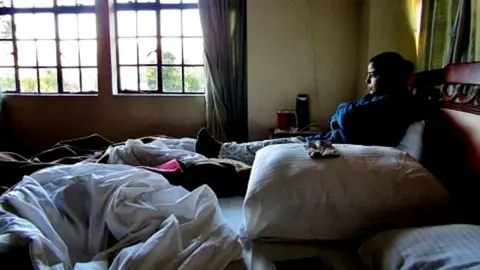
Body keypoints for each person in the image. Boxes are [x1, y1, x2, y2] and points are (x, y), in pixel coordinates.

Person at [196, 52, 424, 165]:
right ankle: (222, 150)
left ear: (391, 76)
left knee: (272, 149)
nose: (367, 81)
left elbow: (347, 116)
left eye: (372, 75)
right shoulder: (380, 99)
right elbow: (345, 115)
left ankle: (220, 153)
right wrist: (344, 114)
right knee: (271, 144)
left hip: (334, 147)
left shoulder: (397, 103)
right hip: (328, 139)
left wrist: (343, 112)